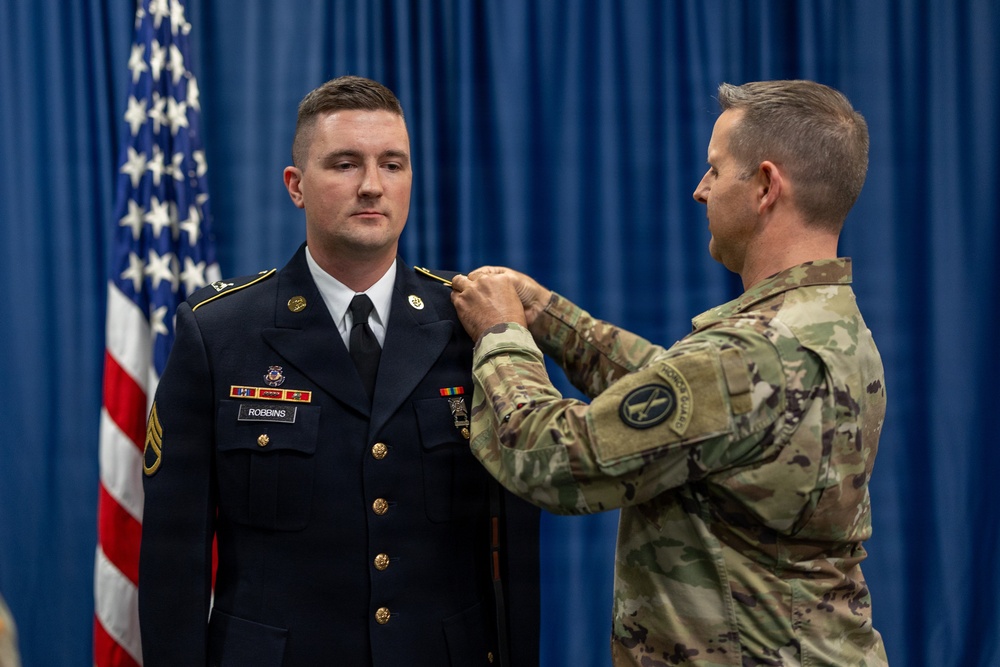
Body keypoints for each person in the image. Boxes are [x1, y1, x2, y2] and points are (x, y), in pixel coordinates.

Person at [450, 80, 888, 666]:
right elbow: (683, 397)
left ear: (764, 185)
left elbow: (553, 460)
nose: (699, 190)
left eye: (714, 169)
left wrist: (502, 337)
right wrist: (550, 318)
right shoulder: (828, 323)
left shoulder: (751, 352)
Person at [139, 75, 540, 667]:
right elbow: (176, 558)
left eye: (393, 164)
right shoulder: (220, 334)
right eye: (345, 164)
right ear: (296, 186)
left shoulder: (476, 326)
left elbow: (516, 546)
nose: (372, 186)